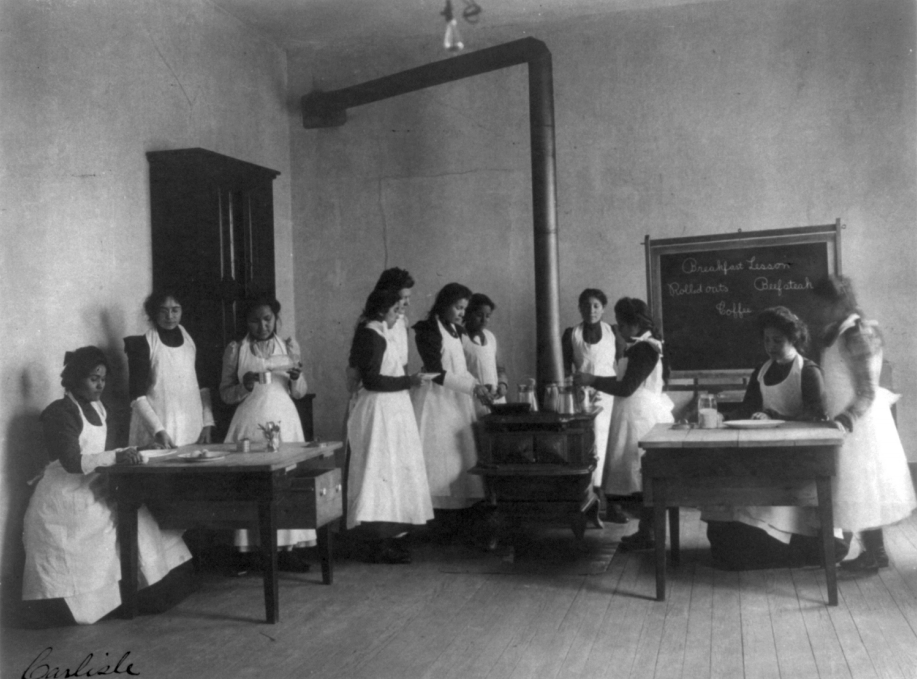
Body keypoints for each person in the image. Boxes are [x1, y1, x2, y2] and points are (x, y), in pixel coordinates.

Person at [22, 347, 193, 626]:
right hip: (64, 496)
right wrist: (119, 455)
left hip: (92, 484)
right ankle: (97, 604)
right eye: (93, 378)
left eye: (102, 378)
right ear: (75, 379)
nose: (100, 384)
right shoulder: (60, 412)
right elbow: (72, 462)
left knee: (138, 518)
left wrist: (141, 449)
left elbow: (108, 451)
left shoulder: (99, 408)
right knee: (107, 526)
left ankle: (145, 592)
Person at [701, 306, 848, 569]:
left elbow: (818, 417)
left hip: (797, 459)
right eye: (766, 340)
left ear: (794, 338)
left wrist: (774, 415)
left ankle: (789, 548)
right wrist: (717, 416)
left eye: (777, 340)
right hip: (765, 454)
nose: (770, 345)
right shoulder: (763, 369)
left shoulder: (808, 371)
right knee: (724, 529)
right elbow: (747, 408)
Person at [812, 275, 916, 572]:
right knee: (860, 489)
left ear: (840, 303)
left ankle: (873, 554)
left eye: (824, 305)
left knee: (863, 487)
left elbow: (867, 389)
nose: (819, 311)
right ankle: (875, 552)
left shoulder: (857, 333)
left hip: (860, 423)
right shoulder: (839, 330)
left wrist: (846, 419)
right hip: (846, 421)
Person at [220, 295, 315, 568]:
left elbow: (300, 391)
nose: (262, 326)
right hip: (249, 421)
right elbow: (225, 394)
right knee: (251, 483)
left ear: (275, 318)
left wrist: (296, 378)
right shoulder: (236, 349)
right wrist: (245, 386)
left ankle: (287, 551)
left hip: (284, 418)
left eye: (267, 319)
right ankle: (251, 552)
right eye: (254, 320)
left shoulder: (288, 346)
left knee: (287, 483)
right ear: (246, 322)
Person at [574, 297, 674, 549]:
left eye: (621, 323)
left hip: (639, 417)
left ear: (634, 324)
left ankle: (649, 532)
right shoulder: (644, 345)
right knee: (638, 476)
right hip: (636, 412)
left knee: (638, 476)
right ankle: (647, 530)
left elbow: (627, 387)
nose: (618, 328)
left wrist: (592, 379)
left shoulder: (645, 348)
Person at [346, 289, 435, 563]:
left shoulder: (385, 332)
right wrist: (410, 381)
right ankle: (376, 542)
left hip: (393, 409)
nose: (401, 314)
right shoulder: (370, 333)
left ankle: (392, 538)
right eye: (396, 310)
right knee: (378, 473)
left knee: (394, 473)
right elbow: (371, 380)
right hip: (377, 410)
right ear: (382, 310)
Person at [412, 283, 491, 534]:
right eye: (458, 307)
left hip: (457, 401)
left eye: (464, 309)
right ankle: (435, 520)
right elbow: (435, 372)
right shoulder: (426, 330)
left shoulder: (456, 330)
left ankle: (457, 519)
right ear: (444, 304)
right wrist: (471, 388)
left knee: (461, 458)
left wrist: (478, 386)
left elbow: (461, 369)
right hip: (436, 402)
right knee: (438, 460)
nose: (461, 313)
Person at [124, 290, 214, 450]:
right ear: (153, 312)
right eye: (163, 311)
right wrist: (158, 430)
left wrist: (207, 422)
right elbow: (136, 396)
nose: (170, 316)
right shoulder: (142, 344)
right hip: (158, 433)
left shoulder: (191, 340)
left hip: (191, 430)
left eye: (175, 310)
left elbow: (202, 386)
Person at [562, 288, 620, 523]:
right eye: (586, 306)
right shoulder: (571, 334)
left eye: (596, 305)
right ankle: (589, 503)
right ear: (580, 308)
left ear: (603, 308)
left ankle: (612, 504)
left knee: (611, 448)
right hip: (583, 399)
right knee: (588, 447)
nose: (591, 310)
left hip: (610, 398)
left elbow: (622, 365)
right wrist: (574, 388)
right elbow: (565, 369)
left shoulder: (613, 332)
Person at [347, 268, 415, 394]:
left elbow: (403, 360)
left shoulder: (403, 322)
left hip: (398, 389)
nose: (407, 303)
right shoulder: (370, 327)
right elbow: (356, 367)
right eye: (403, 298)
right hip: (375, 390)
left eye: (409, 297)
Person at [462, 293, 508, 416]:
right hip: (472, 399)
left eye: (487, 316)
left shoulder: (491, 337)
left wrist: (503, 385)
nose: (484, 320)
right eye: (479, 315)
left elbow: (500, 369)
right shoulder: (461, 338)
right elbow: (459, 372)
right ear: (467, 314)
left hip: (495, 399)